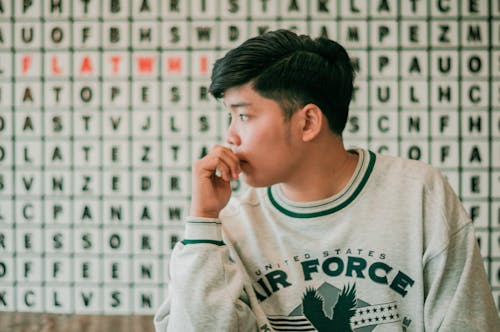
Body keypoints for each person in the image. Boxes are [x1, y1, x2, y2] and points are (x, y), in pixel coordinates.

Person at [154, 29, 500, 331]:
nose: (230, 136)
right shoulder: (223, 228)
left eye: (243, 115)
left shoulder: (419, 194)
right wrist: (201, 223)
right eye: (230, 117)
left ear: (308, 122)